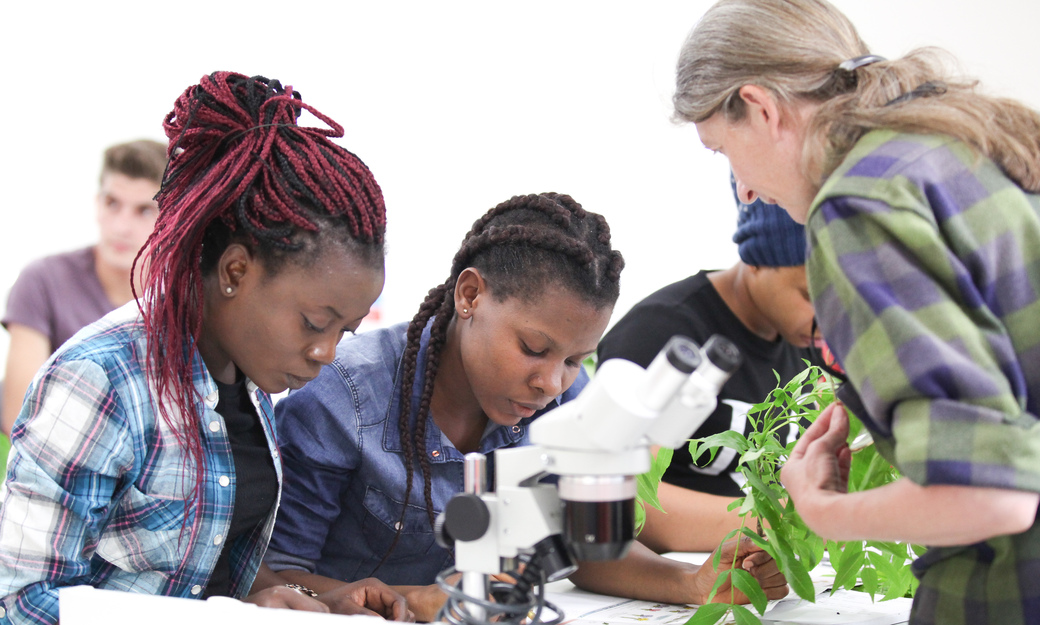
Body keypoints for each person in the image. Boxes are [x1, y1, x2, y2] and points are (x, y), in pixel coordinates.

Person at [673, 1, 1040, 622]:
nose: (746, 191)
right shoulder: (957, 150)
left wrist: (822, 510)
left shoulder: (856, 207)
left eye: (722, 152)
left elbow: (990, 496)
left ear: (760, 108)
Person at [0, 72, 411, 624]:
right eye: (315, 322)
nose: (327, 352)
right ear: (235, 271)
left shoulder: (247, 376)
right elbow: (19, 602)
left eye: (346, 331)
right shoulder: (102, 380)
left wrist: (301, 600)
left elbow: (190, 573)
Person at [264, 192, 789, 622]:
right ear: (470, 295)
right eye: (534, 350)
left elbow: (582, 548)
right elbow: (270, 573)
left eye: (575, 360)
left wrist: (695, 584)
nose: (551, 384)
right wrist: (416, 597)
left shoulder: (566, 403)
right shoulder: (342, 398)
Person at [597, 180, 821, 553]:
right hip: (667, 579)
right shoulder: (662, 331)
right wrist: (798, 521)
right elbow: (619, 497)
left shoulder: (809, 343)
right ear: (758, 257)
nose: (828, 320)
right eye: (811, 296)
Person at [1, 140, 167, 438]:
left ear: (170, 219)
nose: (121, 226)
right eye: (112, 203)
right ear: (97, 202)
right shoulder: (42, 281)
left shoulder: (186, 299)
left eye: (144, 211)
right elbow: (20, 418)